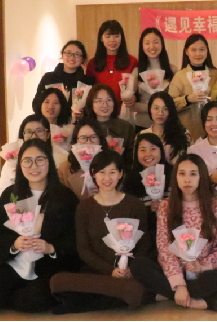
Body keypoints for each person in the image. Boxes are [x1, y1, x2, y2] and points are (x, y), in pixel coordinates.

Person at [0, 139, 79, 313]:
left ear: (49, 162)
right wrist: (14, 244)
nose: (33, 166)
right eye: (27, 161)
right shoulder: (10, 195)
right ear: (20, 164)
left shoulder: (65, 196)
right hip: (16, 263)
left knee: (32, 301)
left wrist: (51, 248)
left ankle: (12, 295)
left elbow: (76, 237)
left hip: (49, 266)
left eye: (40, 160)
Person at [49, 151, 154, 314]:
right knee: (56, 281)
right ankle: (115, 297)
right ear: (93, 174)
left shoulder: (135, 205)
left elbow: (144, 243)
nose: (107, 178)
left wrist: (131, 269)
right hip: (95, 273)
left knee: (134, 290)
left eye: (112, 172)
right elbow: (84, 249)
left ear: (120, 174)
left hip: (128, 274)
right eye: (102, 172)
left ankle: (81, 304)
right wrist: (110, 271)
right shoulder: (84, 207)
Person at [129, 154, 217, 311]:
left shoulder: (215, 205)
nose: (187, 180)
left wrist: (202, 266)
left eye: (193, 174)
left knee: (213, 279)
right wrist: (179, 285)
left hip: (203, 271)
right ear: (175, 177)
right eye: (182, 174)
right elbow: (164, 247)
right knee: (138, 265)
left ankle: (166, 294)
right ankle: (201, 301)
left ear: (201, 177)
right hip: (176, 270)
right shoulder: (166, 206)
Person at [168, 34, 217, 143]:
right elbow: (168, 104)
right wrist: (187, 99)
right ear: (186, 51)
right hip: (188, 132)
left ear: (207, 51)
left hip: (213, 130)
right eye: (193, 50)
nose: (198, 54)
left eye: (202, 50)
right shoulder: (180, 76)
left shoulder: (216, 74)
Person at [127, 27, 177, 130]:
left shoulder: (173, 70)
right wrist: (153, 107)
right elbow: (130, 104)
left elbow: (176, 101)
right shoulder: (137, 72)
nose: (152, 47)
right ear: (142, 46)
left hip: (167, 125)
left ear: (162, 44)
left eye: (156, 42)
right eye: (147, 43)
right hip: (143, 125)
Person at [122, 133, 172, 232]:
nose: (148, 154)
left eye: (153, 149)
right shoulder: (130, 180)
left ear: (161, 151)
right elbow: (129, 214)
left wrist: (165, 206)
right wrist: (148, 209)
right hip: (144, 232)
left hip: (171, 230)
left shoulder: (173, 175)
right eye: (143, 150)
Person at [0, 116, 54, 200]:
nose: (34, 136)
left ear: (48, 134)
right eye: (28, 132)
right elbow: (2, 190)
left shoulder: (61, 156)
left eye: (39, 131)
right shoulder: (13, 160)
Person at [83, 84, 136, 166]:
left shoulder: (126, 127)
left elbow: (131, 160)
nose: (105, 105)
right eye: (99, 101)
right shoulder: (83, 127)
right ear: (91, 104)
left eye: (109, 100)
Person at [86, 20, 138, 103]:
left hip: (124, 109)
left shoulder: (132, 62)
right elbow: (89, 92)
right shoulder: (92, 63)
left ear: (121, 38)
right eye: (108, 36)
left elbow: (136, 91)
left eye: (116, 36)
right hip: (101, 109)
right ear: (101, 38)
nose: (112, 40)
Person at [57, 119, 110, 200]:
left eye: (93, 137)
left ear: (100, 140)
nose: (88, 142)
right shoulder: (64, 169)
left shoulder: (112, 165)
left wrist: (107, 190)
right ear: (76, 140)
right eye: (83, 138)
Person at [34, 40, 95, 107]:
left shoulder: (88, 81)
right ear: (62, 55)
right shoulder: (49, 78)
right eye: (68, 53)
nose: (72, 57)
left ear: (82, 59)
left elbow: (92, 106)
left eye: (77, 54)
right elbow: (36, 103)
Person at [139, 92, 189, 163]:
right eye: (156, 108)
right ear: (150, 109)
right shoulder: (143, 135)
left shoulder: (183, 134)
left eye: (165, 109)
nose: (160, 113)